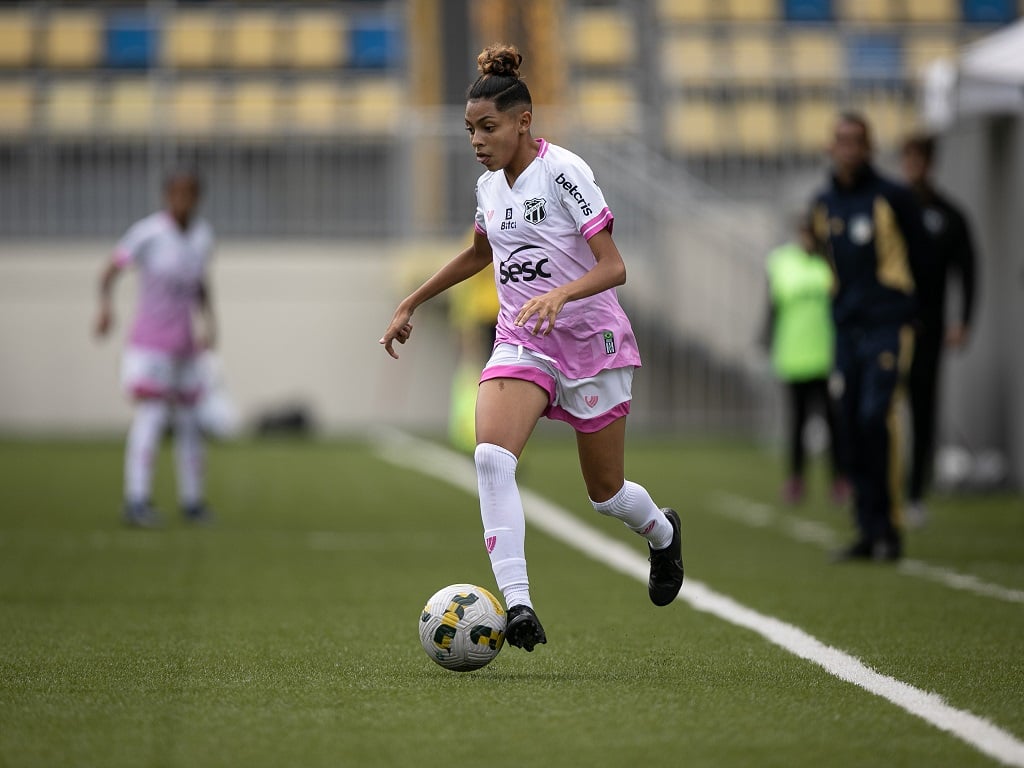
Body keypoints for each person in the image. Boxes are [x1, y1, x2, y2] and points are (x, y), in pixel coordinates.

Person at [379, 44, 684, 651]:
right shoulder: (489, 187)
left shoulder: (565, 171)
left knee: (607, 496)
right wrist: (412, 301)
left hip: (590, 341)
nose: (477, 140)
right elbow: (478, 253)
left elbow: (614, 266)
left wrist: (561, 297)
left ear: (524, 122)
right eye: (469, 130)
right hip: (523, 339)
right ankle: (518, 606)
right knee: (491, 458)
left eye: (487, 127)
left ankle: (662, 533)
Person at [809, 113, 927, 562]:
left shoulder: (893, 197)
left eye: (855, 141)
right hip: (847, 330)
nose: (847, 149)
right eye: (840, 140)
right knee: (849, 426)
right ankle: (865, 526)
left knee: (878, 418)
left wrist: (916, 316)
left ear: (869, 147)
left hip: (887, 325)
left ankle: (890, 527)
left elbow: (924, 260)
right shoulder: (824, 203)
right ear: (830, 147)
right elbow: (827, 257)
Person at [95, 168, 217, 528]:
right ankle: (136, 500)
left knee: (191, 422)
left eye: (190, 194)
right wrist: (105, 307)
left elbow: (200, 285)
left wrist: (210, 323)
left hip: (184, 344)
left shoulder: (202, 237)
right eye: (177, 194)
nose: (183, 201)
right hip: (149, 344)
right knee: (151, 416)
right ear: (167, 197)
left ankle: (192, 501)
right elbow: (110, 270)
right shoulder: (148, 233)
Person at [900, 133, 977, 528]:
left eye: (919, 159)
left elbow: (967, 269)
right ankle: (877, 492)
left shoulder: (948, 215)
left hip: (928, 329)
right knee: (875, 412)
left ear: (930, 163)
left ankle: (914, 493)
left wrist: (963, 319)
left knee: (923, 411)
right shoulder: (891, 211)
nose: (913, 167)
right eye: (908, 159)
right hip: (890, 328)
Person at [764, 215, 848, 506]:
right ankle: (797, 480)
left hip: (825, 356)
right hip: (794, 356)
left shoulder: (829, 262)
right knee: (797, 422)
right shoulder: (782, 262)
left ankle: (839, 479)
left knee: (835, 422)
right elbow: (776, 302)